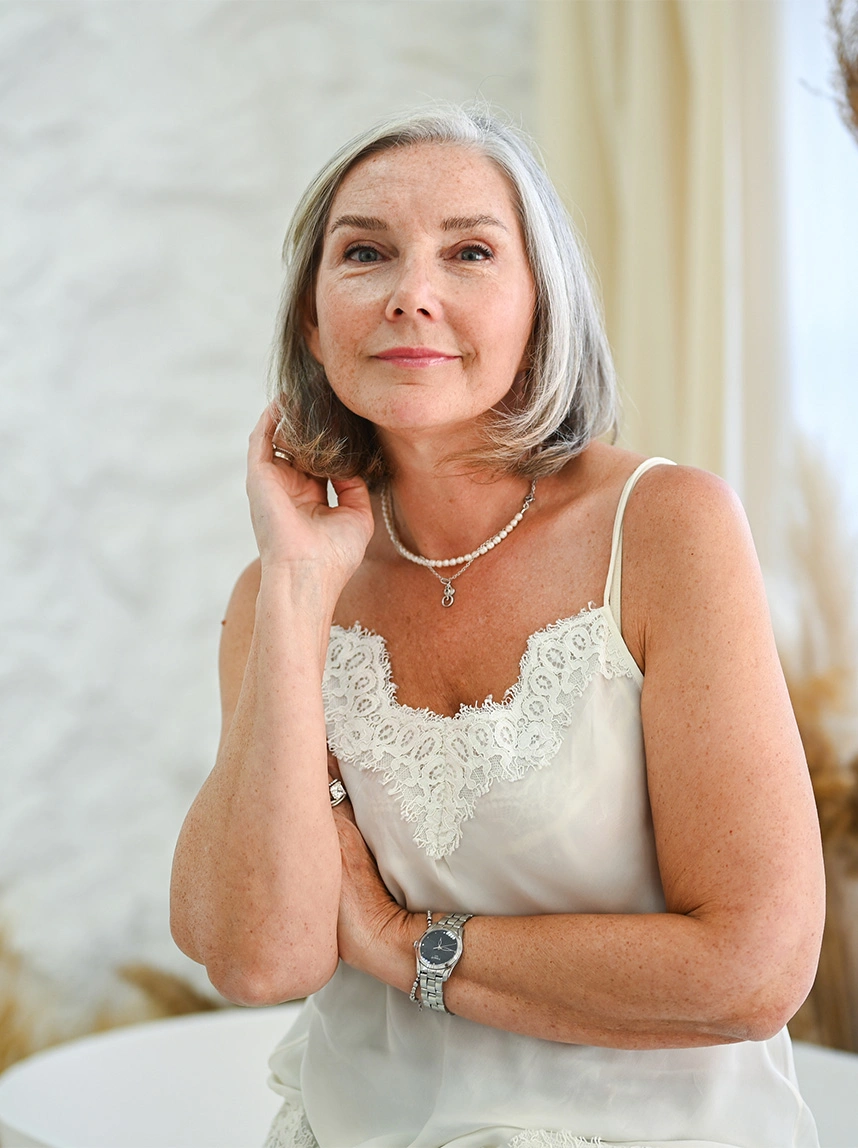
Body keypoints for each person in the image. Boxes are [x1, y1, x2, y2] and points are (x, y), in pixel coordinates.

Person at [170, 105, 825, 1148]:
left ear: (540, 307)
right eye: (365, 253)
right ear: (310, 320)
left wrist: (401, 942)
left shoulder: (665, 528)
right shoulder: (279, 591)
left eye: (469, 250)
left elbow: (752, 969)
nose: (410, 294)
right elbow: (258, 955)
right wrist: (297, 587)